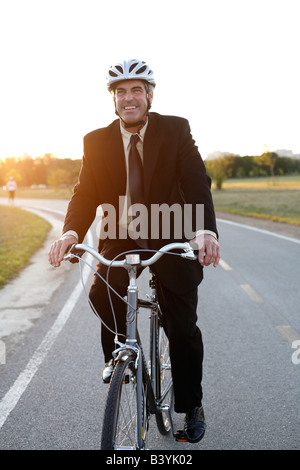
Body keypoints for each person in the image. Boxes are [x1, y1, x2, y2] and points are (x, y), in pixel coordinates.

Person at [48, 59, 220, 443]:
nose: (129, 98)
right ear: (113, 100)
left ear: (149, 96)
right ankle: (119, 355)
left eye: (137, 90)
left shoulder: (175, 130)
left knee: (182, 326)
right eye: (121, 92)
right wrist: (72, 232)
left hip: (172, 230)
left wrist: (205, 230)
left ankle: (191, 405)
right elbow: (86, 193)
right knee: (99, 288)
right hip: (122, 233)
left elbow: (195, 180)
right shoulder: (95, 141)